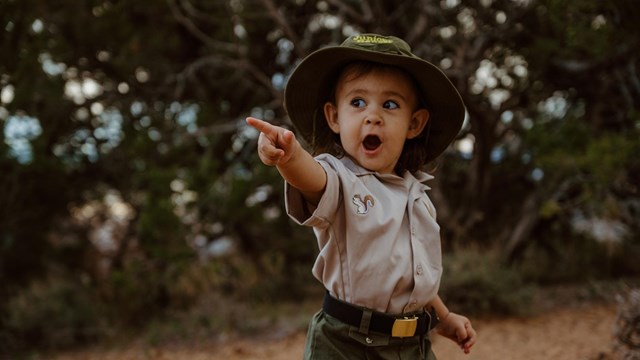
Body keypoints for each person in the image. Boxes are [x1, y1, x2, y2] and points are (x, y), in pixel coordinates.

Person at [246, 33, 476, 359]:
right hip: (346, 344)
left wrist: (444, 317)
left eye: (390, 104)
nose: (373, 115)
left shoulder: (417, 195)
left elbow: (414, 275)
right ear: (334, 117)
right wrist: (290, 156)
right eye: (357, 102)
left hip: (412, 346)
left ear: (414, 123)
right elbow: (313, 179)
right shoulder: (339, 178)